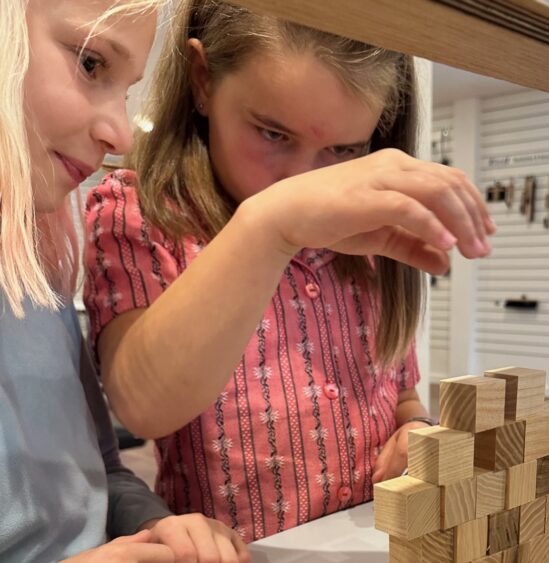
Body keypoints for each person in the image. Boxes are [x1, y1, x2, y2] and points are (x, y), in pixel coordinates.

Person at [84, 0, 495, 542]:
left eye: (344, 148)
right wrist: (272, 225)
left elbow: (399, 396)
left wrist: (414, 430)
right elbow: (141, 405)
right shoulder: (140, 213)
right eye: (273, 134)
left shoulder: (367, 234)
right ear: (203, 79)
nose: (306, 180)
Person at [0, 0, 248, 561]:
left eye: (125, 88)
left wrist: (160, 525)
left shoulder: (39, 267)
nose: (121, 135)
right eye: (91, 64)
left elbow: (101, 475)